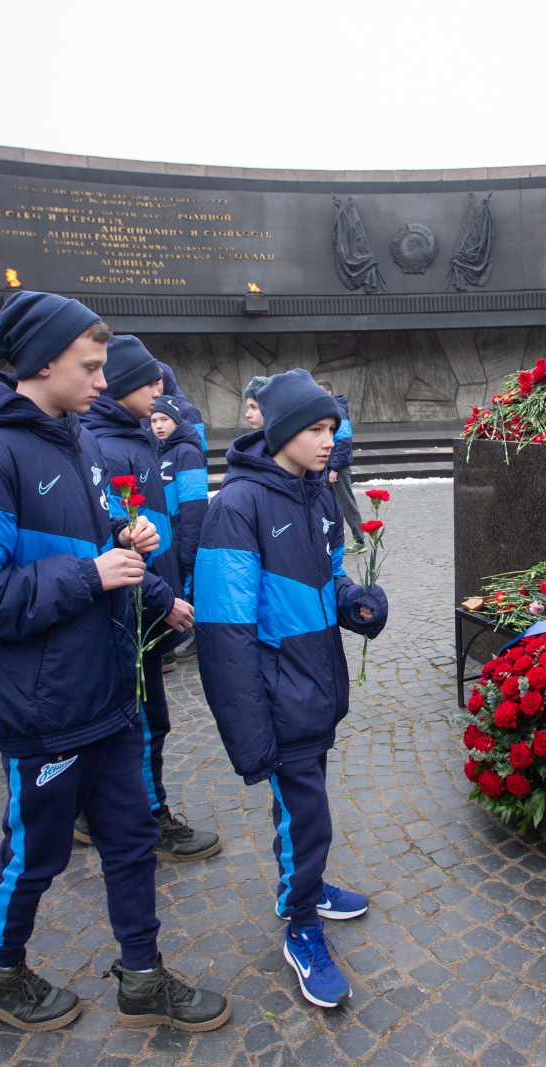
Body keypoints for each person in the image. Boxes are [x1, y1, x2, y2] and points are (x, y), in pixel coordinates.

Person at [0, 290, 229, 1033]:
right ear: (42, 363)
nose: (102, 380)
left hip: (108, 687)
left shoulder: (77, 440)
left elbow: (85, 543)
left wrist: (125, 542)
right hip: (44, 706)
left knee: (131, 839)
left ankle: (143, 978)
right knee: (35, 850)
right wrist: (91, 573)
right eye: (89, 366)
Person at [195, 368, 389, 1009]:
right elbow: (224, 633)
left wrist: (355, 603)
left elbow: (328, 579)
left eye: (333, 427)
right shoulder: (236, 508)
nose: (330, 440)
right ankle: (302, 927)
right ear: (281, 432)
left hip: (313, 689)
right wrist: (252, 734)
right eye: (316, 429)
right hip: (281, 701)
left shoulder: (319, 495)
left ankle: (300, 889)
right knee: (310, 819)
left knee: (302, 815)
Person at [85, 339, 220, 863]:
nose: (160, 388)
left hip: (145, 602)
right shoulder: (106, 447)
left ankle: (96, 809)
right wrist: (164, 598)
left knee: (138, 718)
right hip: (132, 610)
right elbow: (114, 546)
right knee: (143, 721)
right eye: (149, 381)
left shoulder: (137, 437)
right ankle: (148, 821)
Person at [150, 395, 207, 668]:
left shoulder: (187, 452)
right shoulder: (159, 449)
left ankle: (198, 640)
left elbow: (194, 506)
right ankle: (170, 646)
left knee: (188, 589)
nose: (159, 425)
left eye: (164, 419)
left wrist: (189, 549)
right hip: (165, 535)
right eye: (154, 420)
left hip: (182, 536)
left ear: (177, 421)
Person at [316, 379, 368, 554]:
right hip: (328, 466)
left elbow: (344, 443)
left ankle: (359, 540)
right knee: (328, 504)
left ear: (328, 393)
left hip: (337, 468)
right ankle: (331, 539)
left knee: (346, 504)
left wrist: (335, 469)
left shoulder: (338, 411)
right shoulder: (326, 410)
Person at [156, 362, 208, 451]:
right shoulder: (144, 409)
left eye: (156, 384)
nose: (152, 388)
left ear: (167, 382)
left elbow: (200, 447)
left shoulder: (188, 410)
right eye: (148, 384)